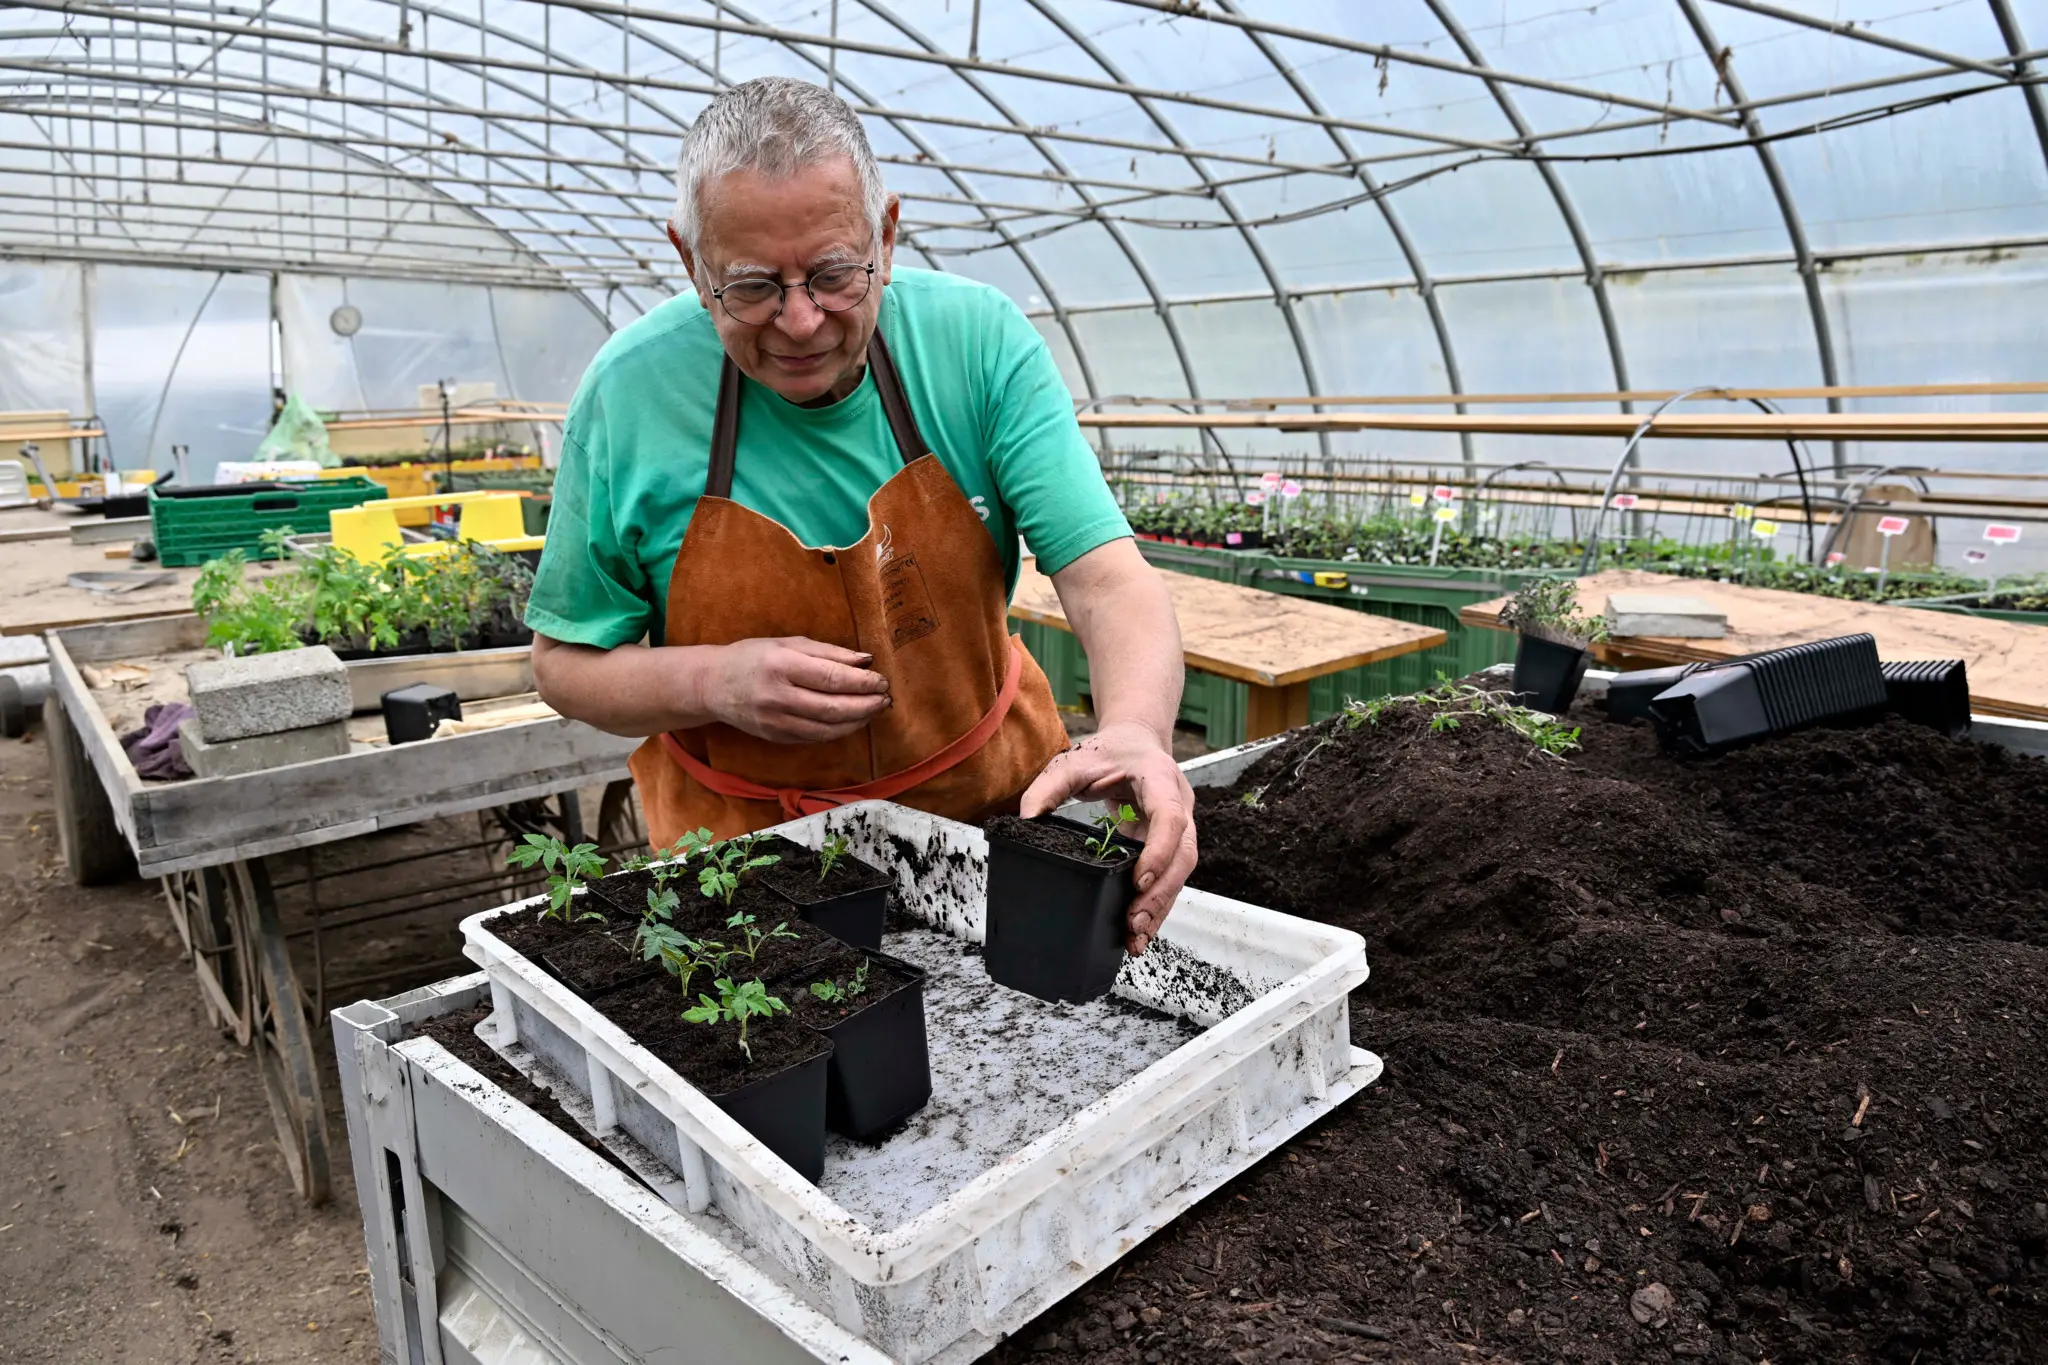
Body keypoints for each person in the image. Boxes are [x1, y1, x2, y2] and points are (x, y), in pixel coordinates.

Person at [527, 77, 1195, 954]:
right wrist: (711, 681)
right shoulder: (631, 395)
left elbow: (1106, 579)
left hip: (988, 822)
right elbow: (564, 663)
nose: (800, 321)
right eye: (753, 286)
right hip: (742, 859)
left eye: (835, 273)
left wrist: (1138, 734)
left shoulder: (975, 343)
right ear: (690, 260)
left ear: (885, 230)